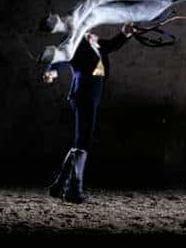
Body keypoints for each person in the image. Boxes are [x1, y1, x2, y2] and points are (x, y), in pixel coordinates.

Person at [44, 23, 135, 203]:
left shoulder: (95, 41)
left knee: (82, 141)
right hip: (82, 95)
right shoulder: (74, 42)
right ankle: (73, 189)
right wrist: (51, 72)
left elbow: (111, 46)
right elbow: (59, 59)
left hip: (92, 96)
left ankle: (59, 185)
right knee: (83, 141)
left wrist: (125, 34)